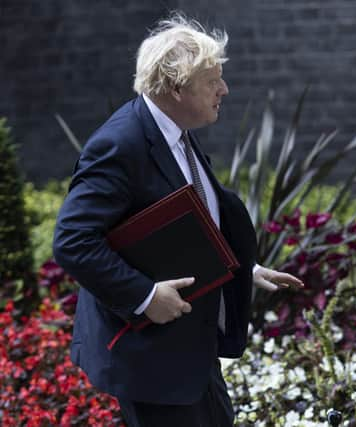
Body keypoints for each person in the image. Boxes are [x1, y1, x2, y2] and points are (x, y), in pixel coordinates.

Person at [52, 13, 303, 427]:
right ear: (175, 86)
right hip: (150, 361)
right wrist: (145, 296)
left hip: (189, 351)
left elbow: (182, 224)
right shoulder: (119, 145)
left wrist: (245, 268)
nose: (224, 89)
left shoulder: (174, 131)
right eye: (213, 81)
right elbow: (73, 242)